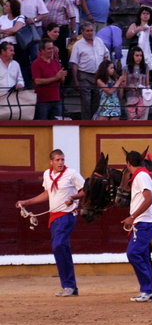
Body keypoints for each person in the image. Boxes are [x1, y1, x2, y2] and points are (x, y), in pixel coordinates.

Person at [15, 149, 85, 297]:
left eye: (62, 160)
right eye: (58, 160)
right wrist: (27, 202)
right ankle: (70, 286)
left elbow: (86, 191)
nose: (61, 162)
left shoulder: (72, 174)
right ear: (51, 162)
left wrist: (73, 197)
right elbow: (47, 193)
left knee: (59, 245)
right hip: (54, 217)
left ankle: (69, 285)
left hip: (67, 215)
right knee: (61, 248)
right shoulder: (47, 174)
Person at [120, 150, 152, 302]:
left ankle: (147, 289)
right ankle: (149, 291)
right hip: (145, 221)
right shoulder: (142, 175)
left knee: (133, 253)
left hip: (145, 222)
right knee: (141, 255)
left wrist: (132, 216)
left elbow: (148, 199)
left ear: (128, 164)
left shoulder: (141, 176)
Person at [69, 22, 109, 120]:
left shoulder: (99, 41)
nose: (90, 33)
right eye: (87, 31)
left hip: (98, 75)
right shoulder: (78, 45)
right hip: (84, 75)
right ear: (82, 32)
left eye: (91, 30)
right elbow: (74, 63)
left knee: (97, 99)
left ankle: (94, 121)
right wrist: (75, 80)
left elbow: (106, 55)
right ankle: (86, 122)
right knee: (86, 101)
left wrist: (105, 72)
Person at [44, 0, 77, 70]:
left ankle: (63, 78)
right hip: (48, 32)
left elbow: (72, 17)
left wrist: (73, 32)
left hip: (61, 31)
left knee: (61, 55)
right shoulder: (47, 0)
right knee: (49, 55)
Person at [32, 39, 66, 120]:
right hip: (42, 101)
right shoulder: (36, 63)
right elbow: (37, 81)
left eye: (52, 48)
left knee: (57, 126)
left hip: (56, 100)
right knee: (42, 127)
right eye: (49, 49)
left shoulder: (56, 62)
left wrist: (62, 76)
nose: (52, 51)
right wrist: (56, 78)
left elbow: (62, 81)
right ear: (41, 50)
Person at [125, 6, 152, 72]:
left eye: (147, 13)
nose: (145, 15)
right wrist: (138, 29)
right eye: (144, 13)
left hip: (148, 52)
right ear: (140, 15)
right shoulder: (134, 25)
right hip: (135, 51)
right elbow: (128, 36)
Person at [122, 46, 151, 120]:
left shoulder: (146, 67)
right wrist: (130, 87)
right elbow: (123, 85)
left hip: (143, 97)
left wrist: (148, 87)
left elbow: (147, 83)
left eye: (141, 55)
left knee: (143, 120)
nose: (139, 58)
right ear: (132, 56)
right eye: (137, 55)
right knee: (132, 120)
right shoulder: (126, 68)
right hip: (131, 96)